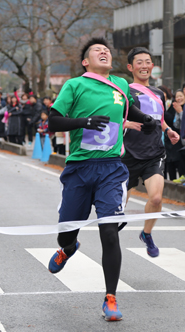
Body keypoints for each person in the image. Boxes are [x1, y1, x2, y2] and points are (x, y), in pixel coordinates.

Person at [46, 37, 156, 322]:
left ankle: (110, 297)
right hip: (80, 168)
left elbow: (129, 110)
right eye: (97, 50)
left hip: (111, 168)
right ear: (86, 62)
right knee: (66, 231)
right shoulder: (75, 85)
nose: (104, 51)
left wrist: (147, 120)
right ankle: (68, 248)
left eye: (106, 49)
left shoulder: (120, 84)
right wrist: (84, 122)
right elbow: (53, 121)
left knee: (109, 231)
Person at [122, 47, 179, 258]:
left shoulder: (159, 93)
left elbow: (160, 118)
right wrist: (128, 124)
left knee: (156, 199)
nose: (144, 66)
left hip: (154, 153)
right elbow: (114, 117)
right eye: (139, 62)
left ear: (152, 66)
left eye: (148, 62)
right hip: (128, 154)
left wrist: (169, 130)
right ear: (131, 67)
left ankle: (147, 234)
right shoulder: (124, 91)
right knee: (119, 204)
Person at [159, 86, 185, 181]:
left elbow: (176, 123)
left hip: (178, 138)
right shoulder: (167, 106)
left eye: (181, 96)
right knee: (169, 162)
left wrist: (180, 112)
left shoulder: (176, 106)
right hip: (166, 139)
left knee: (179, 161)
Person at [168, 89, 185, 182]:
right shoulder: (174, 109)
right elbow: (176, 125)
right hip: (179, 139)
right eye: (177, 96)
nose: (179, 98)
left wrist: (181, 112)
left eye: (181, 96)